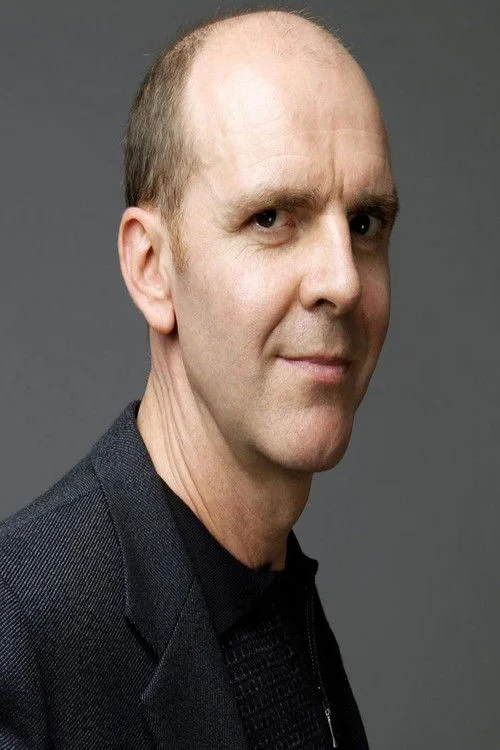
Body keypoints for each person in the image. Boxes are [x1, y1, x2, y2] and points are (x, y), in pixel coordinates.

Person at [0, 7, 399, 749]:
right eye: (272, 217)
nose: (343, 281)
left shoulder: (277, 604)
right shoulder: (16, 639)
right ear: (152, 268)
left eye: (366, 223)